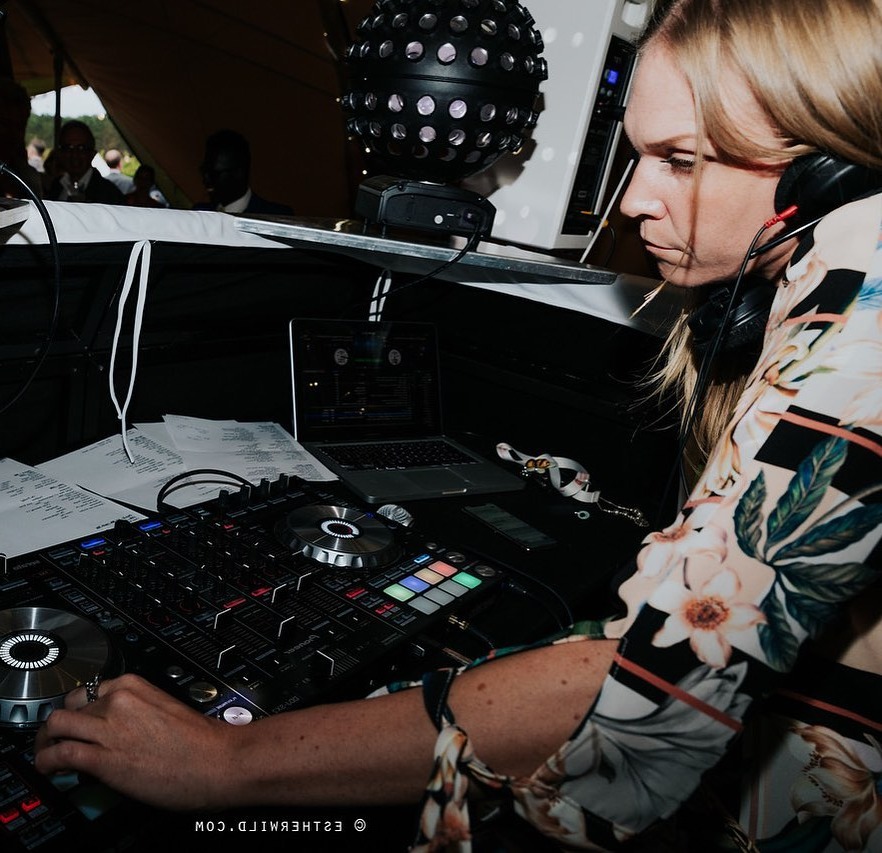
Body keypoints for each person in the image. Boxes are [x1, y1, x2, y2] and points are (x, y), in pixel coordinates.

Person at [33, 1, 882, 850]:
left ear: (823, 171)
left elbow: (645, 695)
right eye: (637, 157)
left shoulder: (861, 324)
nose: (633, 202)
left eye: (680, 159)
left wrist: (230, 760)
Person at [193, 127, 293, 215]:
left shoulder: (276, 216)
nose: (206, 179)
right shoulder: (199, 213)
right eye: (203, 171)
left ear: (239, 173)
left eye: (214, 174)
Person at [46, 120, 126, 205]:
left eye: (81, 148)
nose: (74, 154)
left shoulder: (110, 194)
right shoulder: (55, 187)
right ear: (60, 153)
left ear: (92, 154)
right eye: (68, 148)